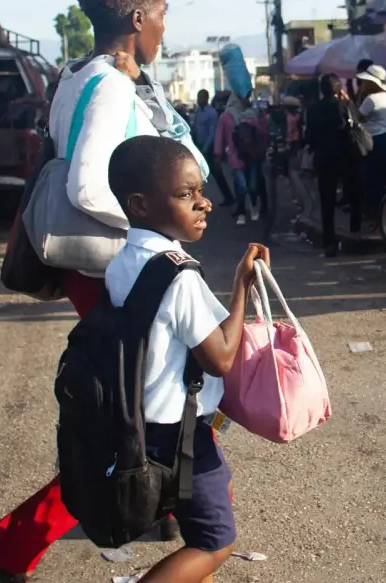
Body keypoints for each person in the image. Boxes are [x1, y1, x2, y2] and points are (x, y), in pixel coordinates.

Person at [0, 0, 211, 582]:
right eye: (162, 13)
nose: (167, 25)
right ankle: (15, 540)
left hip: (108, 273)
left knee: (148, 405)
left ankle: (163, 510)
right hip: (121, 272)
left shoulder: (80, 74)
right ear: (138, 17)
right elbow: (87, 185)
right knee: (131, 420)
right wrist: (148, 236)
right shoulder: (111, 86)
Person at [104, 135, 269, 583]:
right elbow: (220, 358)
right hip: (180, 433)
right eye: (185, 194)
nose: (204, 204)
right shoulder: (179, 276)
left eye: (200, 190)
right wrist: (242, 286)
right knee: (214, 541)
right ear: (139, 204)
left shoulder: (122, 260)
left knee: (211, 509)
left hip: (144, 423)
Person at [306, 74, 364, 256]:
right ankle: (355, 233)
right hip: (348, 156)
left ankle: (329, 243)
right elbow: (357, 127)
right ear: (339, 89)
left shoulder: (313, 109)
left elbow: (309, 137)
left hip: (324, 158)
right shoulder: (346, 106)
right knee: (355, 196)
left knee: (327, 202)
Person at [215, 92, 267, 225]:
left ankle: (253, 207)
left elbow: (261, 133)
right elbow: (220, 137)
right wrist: (218, 155)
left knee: (253, 186)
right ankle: (241, 211)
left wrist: (260, 118)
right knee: (242, 186)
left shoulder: (250, 115)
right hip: (235, 157)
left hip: (251, 156)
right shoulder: (226, 117)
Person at [356, 64, 386, 214]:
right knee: (385, 179)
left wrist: (359, 95)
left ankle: (376, 215)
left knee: (371, 180)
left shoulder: (370, 99)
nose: (363, 84)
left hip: (374, 142)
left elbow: (357, 118)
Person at [194, 89, 234, 206]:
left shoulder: (211, 113)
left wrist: (206, 148)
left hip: (209, 147)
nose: (198, 99)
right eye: (198, 96)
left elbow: (213, 133)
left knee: (217, 174)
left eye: (200, 97)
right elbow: (196, 127)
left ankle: (228, 197)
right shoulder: (198, 111)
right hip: (199, 145)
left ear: (206, 98)